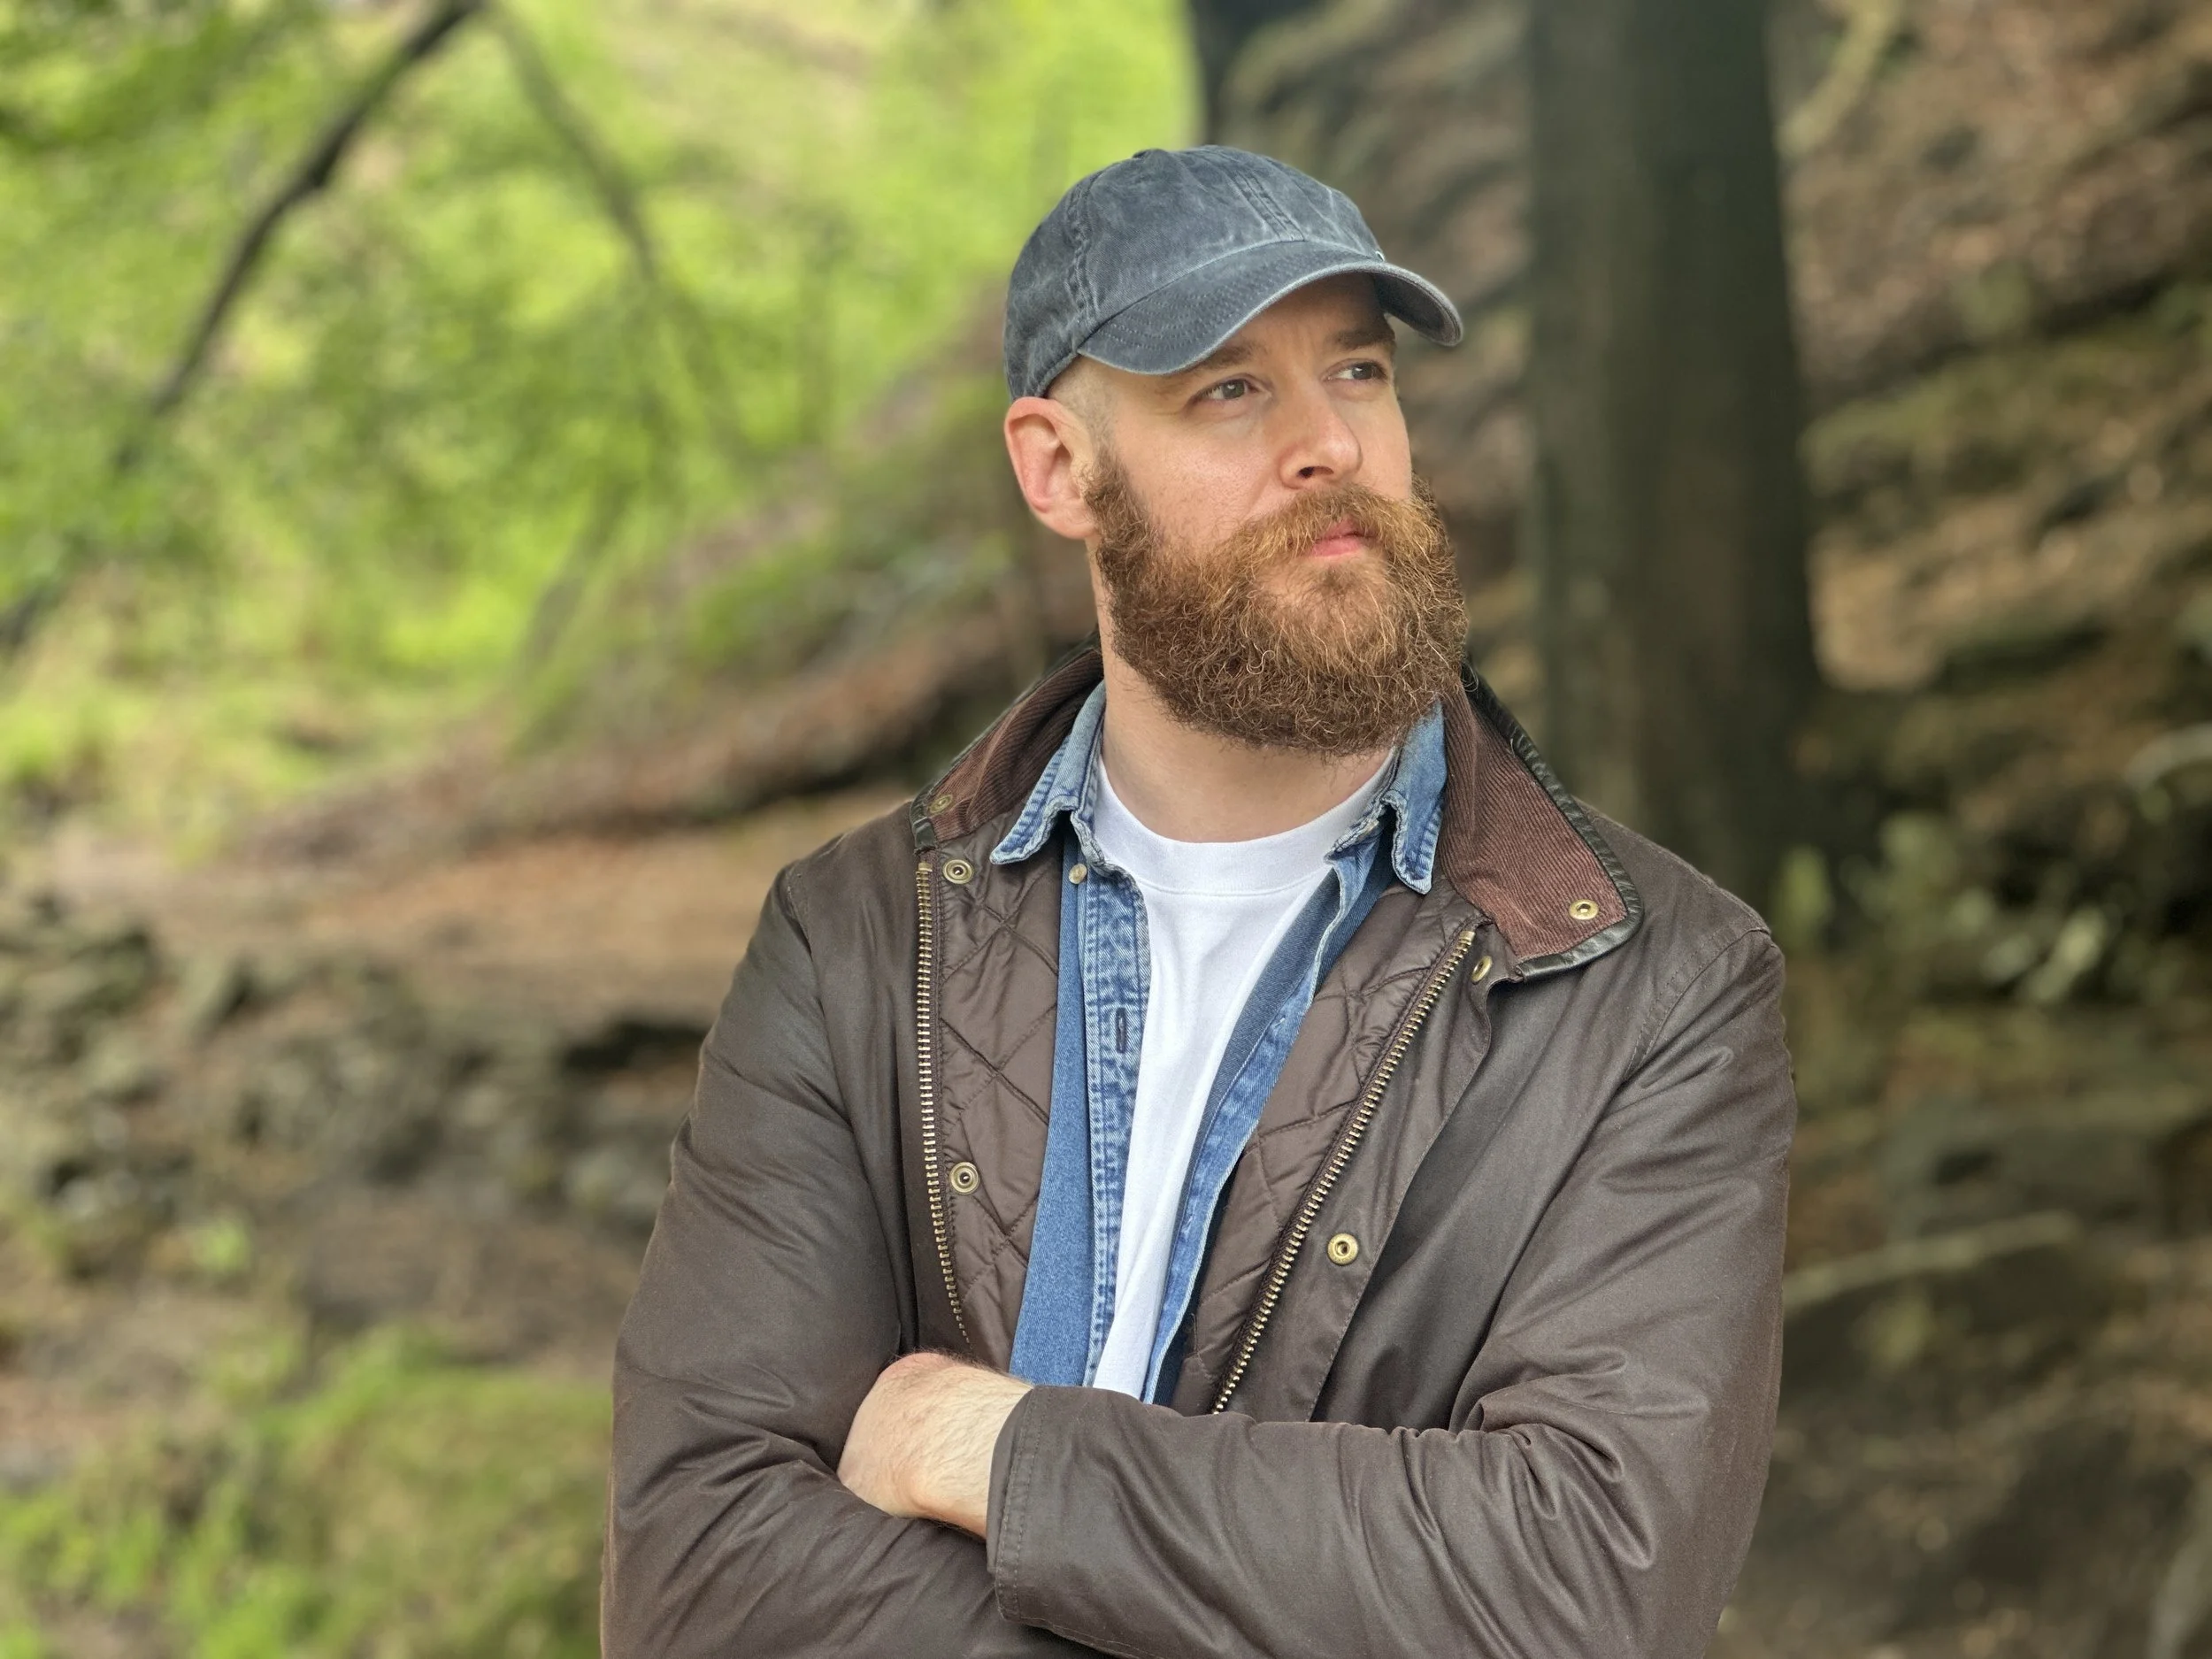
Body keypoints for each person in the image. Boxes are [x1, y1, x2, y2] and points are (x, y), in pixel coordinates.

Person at [602, 145, 1794, 1658]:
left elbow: (1586, 1588)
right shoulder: (854, 940)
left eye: (1356, 371)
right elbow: (695, 1571)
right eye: (1229, 389)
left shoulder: (1653, 982)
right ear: (1057, 467)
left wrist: (1006, 1455)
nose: (1328, 447)